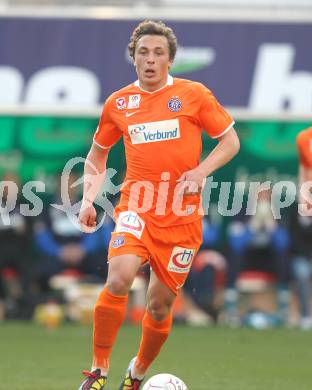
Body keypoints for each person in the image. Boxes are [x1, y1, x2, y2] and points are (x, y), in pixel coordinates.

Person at [78, 20, 240, 390]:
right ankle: (98, 370)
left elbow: (230, 142)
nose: (150, 60)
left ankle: (135, 374)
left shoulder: (193, 94)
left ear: (170, 60)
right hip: (137, 203)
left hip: (182, 215)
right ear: (133, 59)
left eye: (158, 53)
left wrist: (200, 172)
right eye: (143, 53)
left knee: (159, 306)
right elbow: (97, 155)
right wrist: (89, 198)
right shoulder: (118, 103)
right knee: (118, 278)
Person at [292, 127, 312, 329]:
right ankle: (306, 317)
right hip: (304, 256)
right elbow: (299, 237)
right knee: (301, 270)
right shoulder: (301, 207)